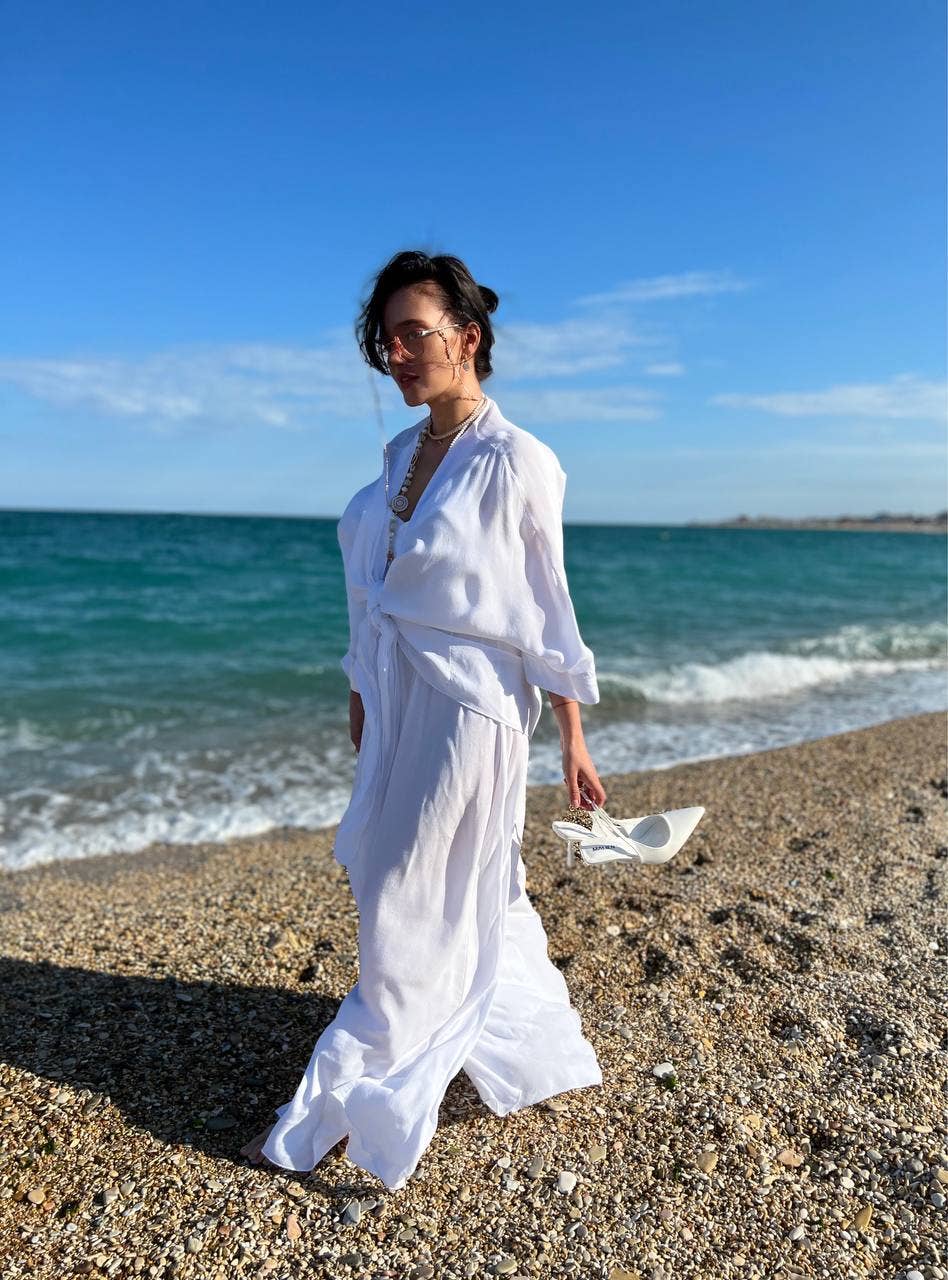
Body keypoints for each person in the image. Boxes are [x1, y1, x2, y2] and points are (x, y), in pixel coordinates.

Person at [240, 249, 607, 1190]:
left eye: (414, 335)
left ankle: (363, 1082)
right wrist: (360, 689)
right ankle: (531, 1048)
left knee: (409, 880)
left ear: (467, 338)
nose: (397, 355)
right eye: (386, 340)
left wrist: (572, 736)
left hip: (474, 705)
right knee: (418, 874)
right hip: (399, 693)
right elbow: (375, 588)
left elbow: (546, 605)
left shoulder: (519, 459)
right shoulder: (401, 453)